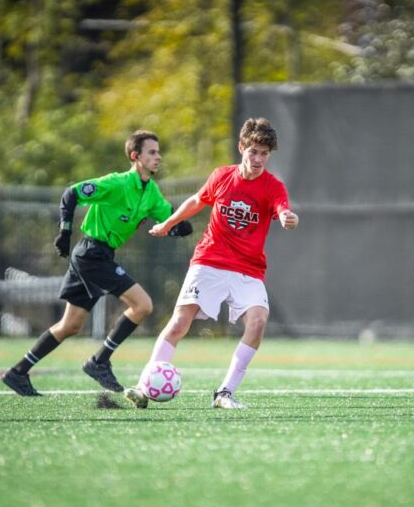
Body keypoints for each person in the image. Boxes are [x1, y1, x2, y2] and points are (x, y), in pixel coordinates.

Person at [124, 117, 299, 410]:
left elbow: (284, 210)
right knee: (180, 323)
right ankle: (144, 387)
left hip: (248, 269)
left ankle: (225, 393)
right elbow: (196, 201)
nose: (257, 159)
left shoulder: (273, 186)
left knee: (257, 324)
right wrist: (168, 222)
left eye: (264, 154)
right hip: (210, 260)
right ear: (241, 147)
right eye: (253, 151)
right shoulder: (221, 176)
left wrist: (287, 218)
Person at [1, 131, 192, 396]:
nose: (158, 156)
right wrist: (65, 231)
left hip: (101, 256)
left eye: (158, 152)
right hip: (91, 253)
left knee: (71, 326)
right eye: (152, 152)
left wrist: (181, 226)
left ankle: (18, 372)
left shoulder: (151, 192)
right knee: (143, 305)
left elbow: (171, 218)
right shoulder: (117, 183)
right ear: (135, 156)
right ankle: (99, 361)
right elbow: (71, 194)